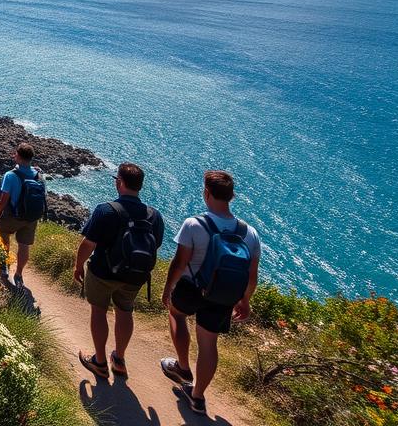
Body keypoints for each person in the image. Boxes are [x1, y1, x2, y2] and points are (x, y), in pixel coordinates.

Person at [160, 170, 261, 415]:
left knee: (177, 315)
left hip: (191, 287)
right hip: (223, 296)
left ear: (207, 193)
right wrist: (244, 301)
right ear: (231, 196)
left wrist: (167, 288)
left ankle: (183, 368)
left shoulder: (194, 224)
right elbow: (251, 275)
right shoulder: (250, 233)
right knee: (209, 344)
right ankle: (197, 396)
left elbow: (180, 262)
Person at [73, 162, 164, 380]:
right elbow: (155, 245)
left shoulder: (106, 210)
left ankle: (100, 362)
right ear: (139, 186)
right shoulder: (154, 215)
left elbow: (88, 243)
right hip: (134, 275)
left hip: (103, 272)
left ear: (119, 183)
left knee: (99, 311)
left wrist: (78, 265)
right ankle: (120, 360)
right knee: (125, 312)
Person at [0, 142, 44, 286]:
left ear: (20, 157)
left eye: (15, 153)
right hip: (30, 217)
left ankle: (4, 267)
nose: (13, 155)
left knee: (3, 236)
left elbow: (4, 198)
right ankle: (19, 274)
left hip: (13, 216)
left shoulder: (10, 175)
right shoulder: (39, 175)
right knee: (24, 246)